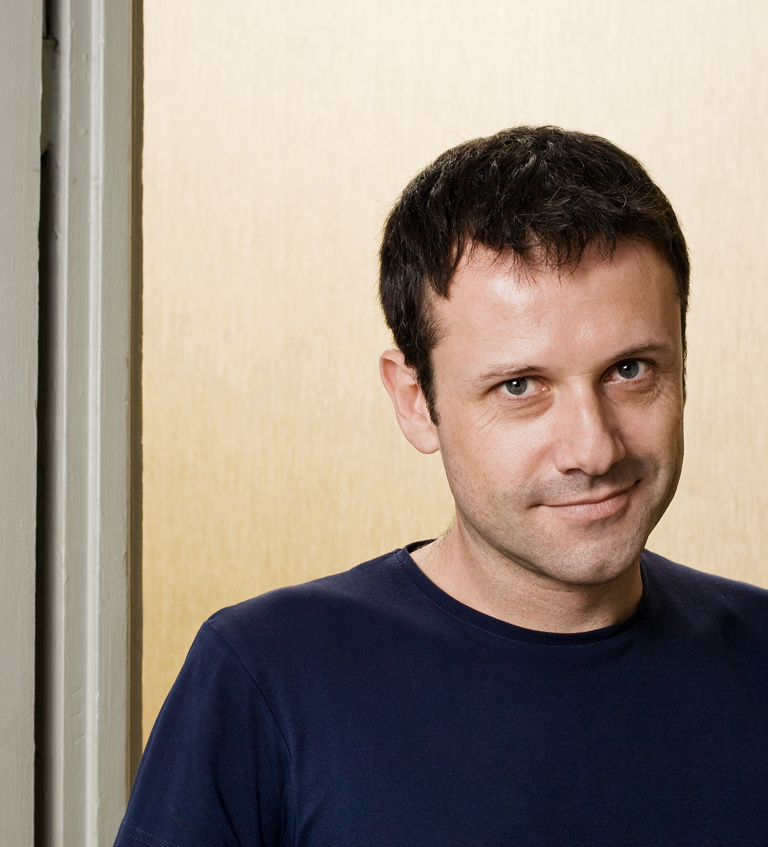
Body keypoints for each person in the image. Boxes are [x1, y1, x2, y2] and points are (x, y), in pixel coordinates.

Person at [114, 127, 768, 847]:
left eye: (630, 370)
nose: (593, 448)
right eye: (520, 386)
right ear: (415, 401)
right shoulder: (264, 677)